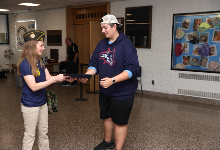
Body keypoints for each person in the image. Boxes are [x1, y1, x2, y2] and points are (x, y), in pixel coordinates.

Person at [79, 14, 139, 150]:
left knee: (120, 122)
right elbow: (94, 64)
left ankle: (118, 148)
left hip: (123, 92)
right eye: (101, 28)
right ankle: (108, 142)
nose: (102, 31)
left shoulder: (126, 45)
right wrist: (88, 75)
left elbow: (133, 70)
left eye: (105, 28)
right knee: (107, 117)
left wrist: (113, 80)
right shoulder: (101, 44)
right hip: (106, 90)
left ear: (114, 26)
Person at [17, 30, 75, 150]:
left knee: (43, 132)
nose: (43, 48)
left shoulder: (40, 61)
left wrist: (64, 78)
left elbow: (49, 78)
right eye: (41, 45)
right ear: (32, 46)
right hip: (30, 105)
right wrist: (54, 80)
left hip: (42, 102)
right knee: (30, 135)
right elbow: (33, 86)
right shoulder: (25, 63)